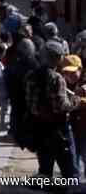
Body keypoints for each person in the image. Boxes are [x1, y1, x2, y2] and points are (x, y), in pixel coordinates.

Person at [25, 41, 82, 181]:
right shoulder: (56, 78)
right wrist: (76, 100)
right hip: (58, 128)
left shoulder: (31, 75)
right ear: (58, 58)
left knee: (45, 165)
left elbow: (30, 102)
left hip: (38, 125)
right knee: (69, 168)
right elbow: (61, 106)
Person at [60, 55, 86, 176]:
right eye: (66, 72)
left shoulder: (83, 85)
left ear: (80, 69)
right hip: (72, 128)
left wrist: (81, 101)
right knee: (73, 159)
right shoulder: (62, 84)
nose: (69, 76)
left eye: (73, 72)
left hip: (83, 127)